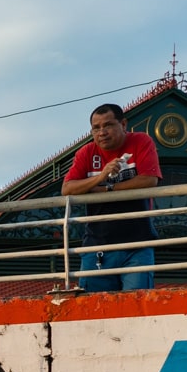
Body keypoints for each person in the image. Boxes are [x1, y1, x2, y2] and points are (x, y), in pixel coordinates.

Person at [61, 103, 162, 291]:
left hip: (137, 246)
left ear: (123, 124)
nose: (102, 132)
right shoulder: (86, 152)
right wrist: (100, 176)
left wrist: (107, 188)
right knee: (94, 311)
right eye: (96, 128)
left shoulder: (141, 141)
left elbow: (149, 180)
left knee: (137, 306)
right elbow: (67, 188)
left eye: (108, 125)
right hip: (96, 247)